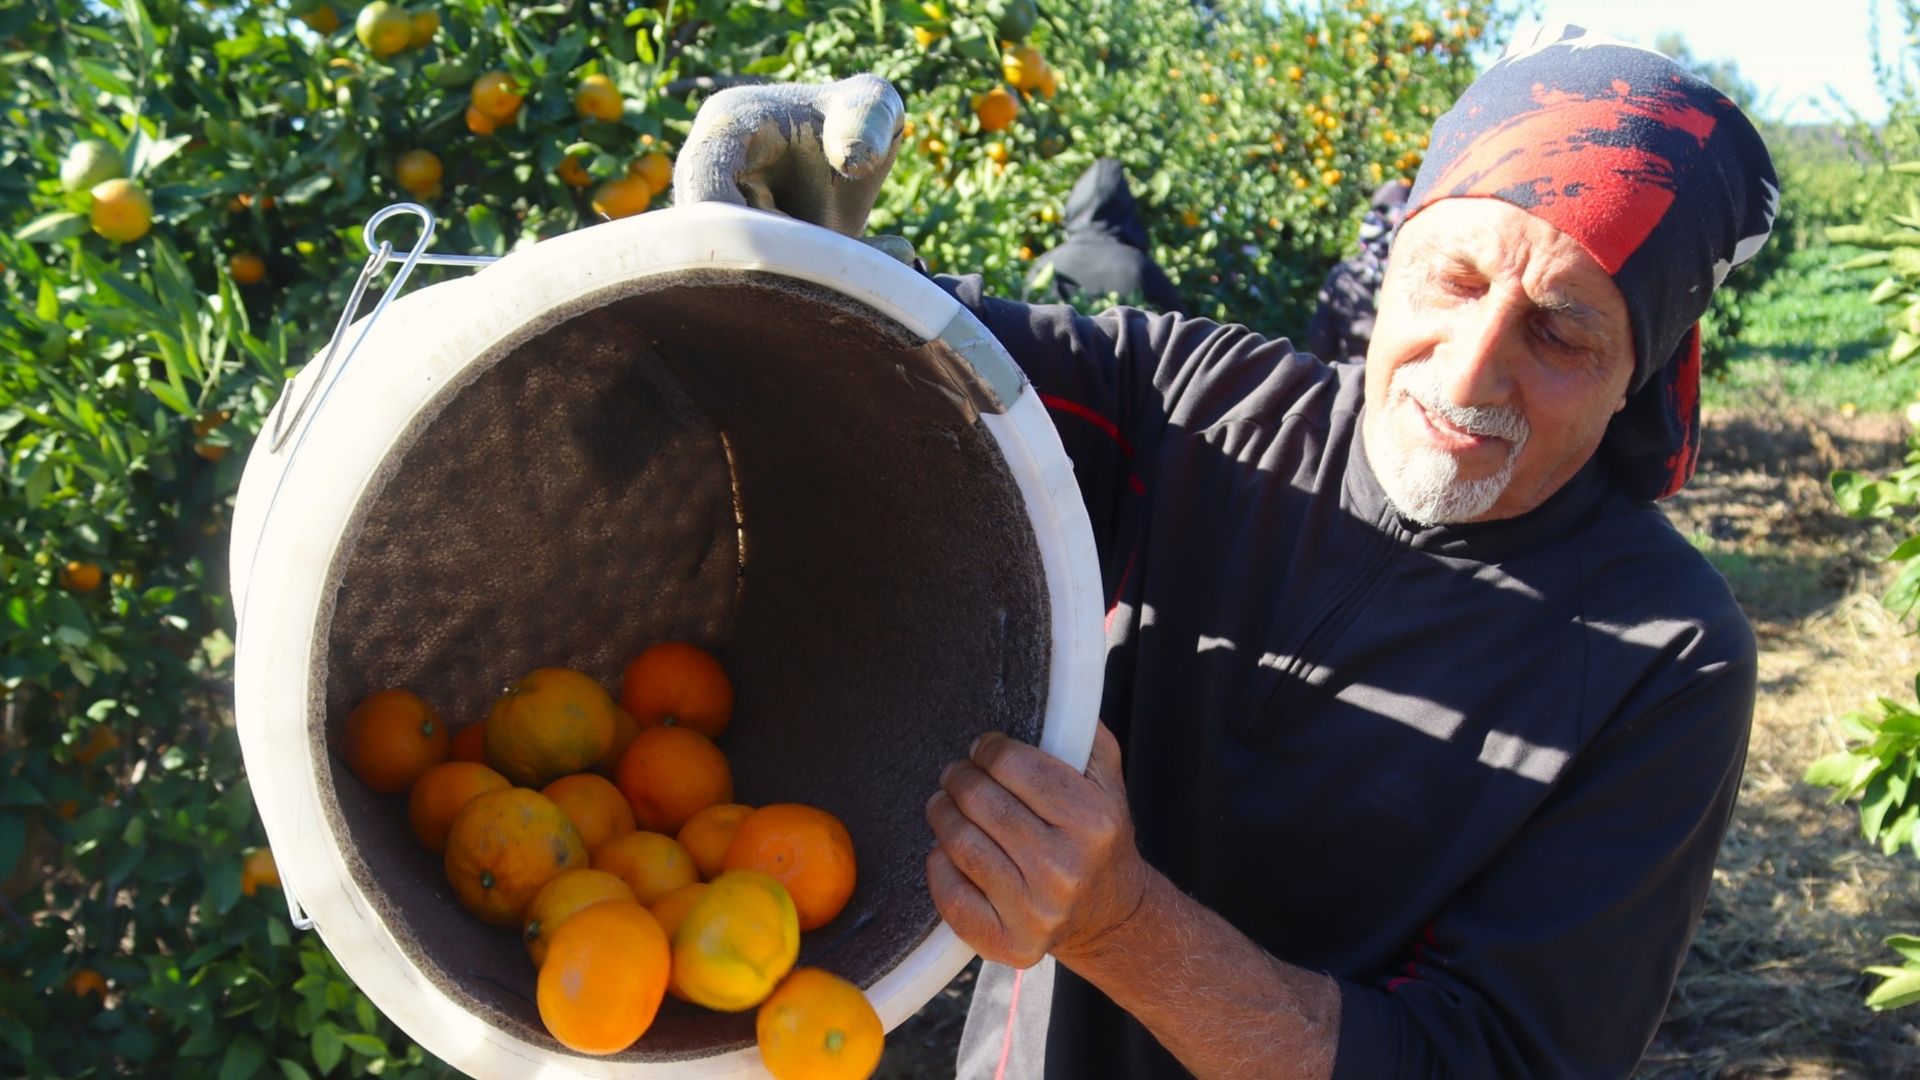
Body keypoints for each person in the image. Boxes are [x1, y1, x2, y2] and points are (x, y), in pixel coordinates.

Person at [674, 23, 1778, 1078]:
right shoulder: (1197, 407)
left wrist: (1122, 926)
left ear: (1635, 372)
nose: (1473, 370)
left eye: (1560, 332)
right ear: (1396, 255)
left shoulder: (1663, 657)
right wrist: (814, 267)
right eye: (1454, 279)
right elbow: (931, 364)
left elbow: (1491, 1057)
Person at [1027, 158, 1183, 313]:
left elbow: (1020, 328)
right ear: (1126, 209)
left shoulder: (1045, 266)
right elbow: (1180, 332)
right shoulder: (1141, 268)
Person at [1306, 178, 1411, 363]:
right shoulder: (1422, 276)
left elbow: (1321, 343)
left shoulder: (1345, 274)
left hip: (1353, 379)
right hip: (1404, 384)